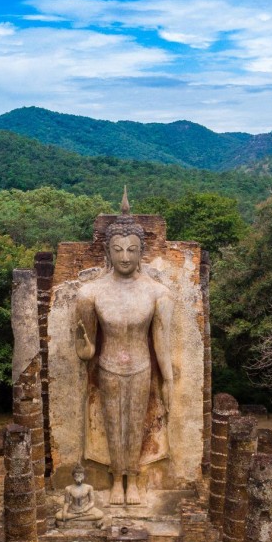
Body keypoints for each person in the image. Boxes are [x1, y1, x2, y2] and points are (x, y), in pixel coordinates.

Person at [74, 214, 173, 505]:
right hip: (108, 367)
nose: (125, 257)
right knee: (114, 425)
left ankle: (135, 479)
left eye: (131, 250)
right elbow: (88, 350)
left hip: (141, 367)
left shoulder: (157, 293)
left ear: (142, 251)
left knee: (135, 425)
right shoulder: (91, 293)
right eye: (118, 250)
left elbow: (161, 343)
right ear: (108, 251)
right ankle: (117, 479)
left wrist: (168, 380)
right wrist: (83, 346)